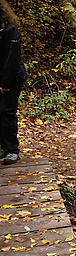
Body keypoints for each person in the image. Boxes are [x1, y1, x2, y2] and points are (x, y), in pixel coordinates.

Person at [0, 0, 27, 165]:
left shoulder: (11, 30)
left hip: (12, 77)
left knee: (5, 111)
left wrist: (5, 84)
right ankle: (3, 147)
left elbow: (12, 58)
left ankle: (12, 150)